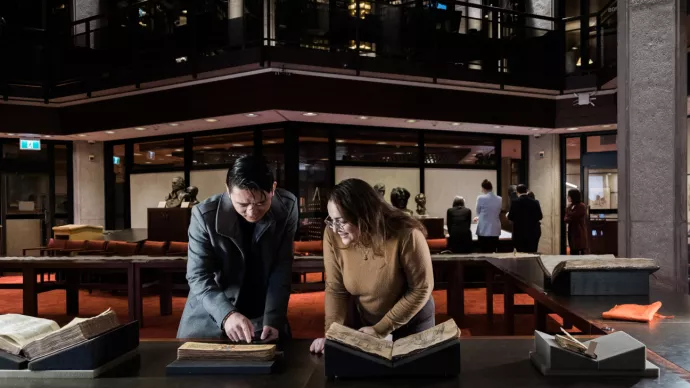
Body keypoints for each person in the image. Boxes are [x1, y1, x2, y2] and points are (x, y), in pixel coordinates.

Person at [177, 155, 298, 342]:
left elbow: (281, 267)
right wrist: (226, 314)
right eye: (243, 204)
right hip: (210, 313)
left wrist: (274, 318)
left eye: (260, 203)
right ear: (228, 190)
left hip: (261, 313)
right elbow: (198, 276)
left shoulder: (286, 207)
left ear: (273, 189)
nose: (252, 212)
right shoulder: (204, 215)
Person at [309, 179, 434, 354]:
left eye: (341, 221)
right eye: (332, 220)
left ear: (364, 216)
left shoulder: (407, 234)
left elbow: (421, 288)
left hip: (412, 319)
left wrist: (381, 329)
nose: (335, 228)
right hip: (366, 321)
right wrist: (332, 335)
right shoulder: (332, 234)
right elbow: (335, 289)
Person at [507, 185, 543, 253]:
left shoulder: (515, 202)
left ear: (517, 192)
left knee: (521, 254)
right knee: (532, 252)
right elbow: (540, 216)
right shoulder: (535, 202)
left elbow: (510, 217)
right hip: (534, 232)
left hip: (519, 232)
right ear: (527, 191)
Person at [474, 179, 502, 253]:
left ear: (483, 188)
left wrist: (480, 216)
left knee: (483, 251)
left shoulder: (480, 198)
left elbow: (478, 211)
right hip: (495, 229)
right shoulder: (499, 199)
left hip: (484, 228)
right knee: (493, 250)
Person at [565, 188, 587, 255]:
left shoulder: (581, 206)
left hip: (579, 231)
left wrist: (569, 213)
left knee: (579, 249)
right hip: (572, 231)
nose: (567, 197)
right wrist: (569, 214)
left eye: (569, 196)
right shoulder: (570, 206)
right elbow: (566, 219)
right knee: (572, 250)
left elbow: (575, 216)